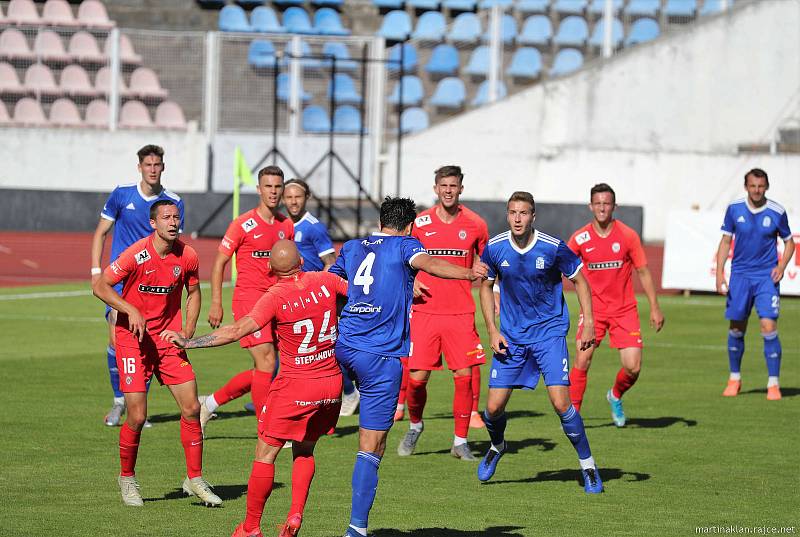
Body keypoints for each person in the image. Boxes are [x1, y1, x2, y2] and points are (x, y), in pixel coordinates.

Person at [161, 240, 347, 537]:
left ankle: (250, 528)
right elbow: (362, 295)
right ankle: (296, 514)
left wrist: (189, 342)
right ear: (302, 261)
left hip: (296, 386)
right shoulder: (327, 279)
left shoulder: (275, 295)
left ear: (271, 268)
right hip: (331, 384)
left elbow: (236, 330)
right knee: (305, 451)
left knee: (265, 454)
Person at [329, 197, 488, 537]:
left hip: (344, 347)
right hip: (380, 356)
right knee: (372, 446)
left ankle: (342, 394)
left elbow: (331, 283)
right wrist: (467, 271)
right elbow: (430, 264)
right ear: (409, 225)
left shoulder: (353, 246)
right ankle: (356, 528)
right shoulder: (406, 245)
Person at [92, 200, 221, 507]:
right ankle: (127, 479)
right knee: (137, 414)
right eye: (167, 217)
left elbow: (194, 292)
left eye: (177, 217)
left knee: (191, 407)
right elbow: (100, 286)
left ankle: (195, 479)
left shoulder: (187, 255)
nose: (173, 222)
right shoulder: (136, 254)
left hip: (167, 341)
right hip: (132, 340)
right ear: (154, 224)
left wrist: (187, 333)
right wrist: (130, 309)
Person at [477, 191, 603, 494]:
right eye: (512, 213)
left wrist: (589, 323)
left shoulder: (553, 247)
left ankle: (588, 467)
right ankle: (498, 445)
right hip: (512, 336)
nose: (517, 218)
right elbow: (485, 286)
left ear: (533, 216)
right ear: (507, 215)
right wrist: (493, 331)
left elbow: (581, 281)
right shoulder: (494, 248)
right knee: (492, 409)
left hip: (549, 333)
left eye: (524, 213)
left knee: (561, 403)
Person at [397, 165, 489, 462]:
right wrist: (410, 282)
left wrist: (495, 293)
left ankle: (460, 442)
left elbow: (488, 265)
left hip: (460, 312)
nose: (448, 190)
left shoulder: (476, 224)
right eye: (443, 185)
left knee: (464, 376)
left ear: (461, 188)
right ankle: (415, 425)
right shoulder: (419, 223)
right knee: (417, 380)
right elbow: (400, 257)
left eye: (454, 185)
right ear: (435, 188)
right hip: (425, 311)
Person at [91, 144, 184, 427]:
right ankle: (121, 401)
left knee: (148, 339)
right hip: (121, 279)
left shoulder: (172, 201)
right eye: (148, 165)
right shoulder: (122, 194)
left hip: (153, 282)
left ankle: (136, 406)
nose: (153, 170)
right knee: (117, 338)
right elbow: (101, 232)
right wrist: (97, 271)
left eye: (157, 165)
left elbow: (174, 243)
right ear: (140, 167)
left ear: (163, 167)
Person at [199, 166, 294, 432]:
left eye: (278, 187)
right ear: (259, 190)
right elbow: (219, 263)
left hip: (276, 300)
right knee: (267, 361)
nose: (273, 192)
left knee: (266, 370)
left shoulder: (286, 225)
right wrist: (216, 302)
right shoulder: (243, 224)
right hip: (249, 300)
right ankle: (268, 430)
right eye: (268, 186)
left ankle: (209, 404)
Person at [566, 183, 665, 427]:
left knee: (633, 367)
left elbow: (642, 271)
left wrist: (654, 306)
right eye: (597, 203)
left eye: (606, 203)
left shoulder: (627, 235)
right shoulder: (580, 238)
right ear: (591, 206)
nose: (602, 208)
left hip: (624, 310)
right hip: (593, 311)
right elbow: (561, 265)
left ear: (614, 206)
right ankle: (573, 417)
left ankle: (615, 395)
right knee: (582, 359)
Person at [282, 178, 360, 416]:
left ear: (307, 198)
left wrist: (316, 289)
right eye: (289, 197)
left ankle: (349, 391)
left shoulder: (313, 226)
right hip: (294, 295)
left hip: (312, 298)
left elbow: (330, 263)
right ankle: (271, 394)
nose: (293, 201)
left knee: (324, 350)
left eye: (298, 196)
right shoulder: (283, 224)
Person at [715, 168, 794, 400]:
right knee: (737, 328)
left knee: (768, 327)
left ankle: (773, 384)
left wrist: (781, 267)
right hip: (740, 276)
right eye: (752, 186)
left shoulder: (777, 211)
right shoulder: (734, 209)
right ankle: (735, 378)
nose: (757, 190)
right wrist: (720, 273)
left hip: (765, 278)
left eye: (761, 186)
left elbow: (790, 243)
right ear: (746, 187)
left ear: (766, 187)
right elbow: (725, 240)